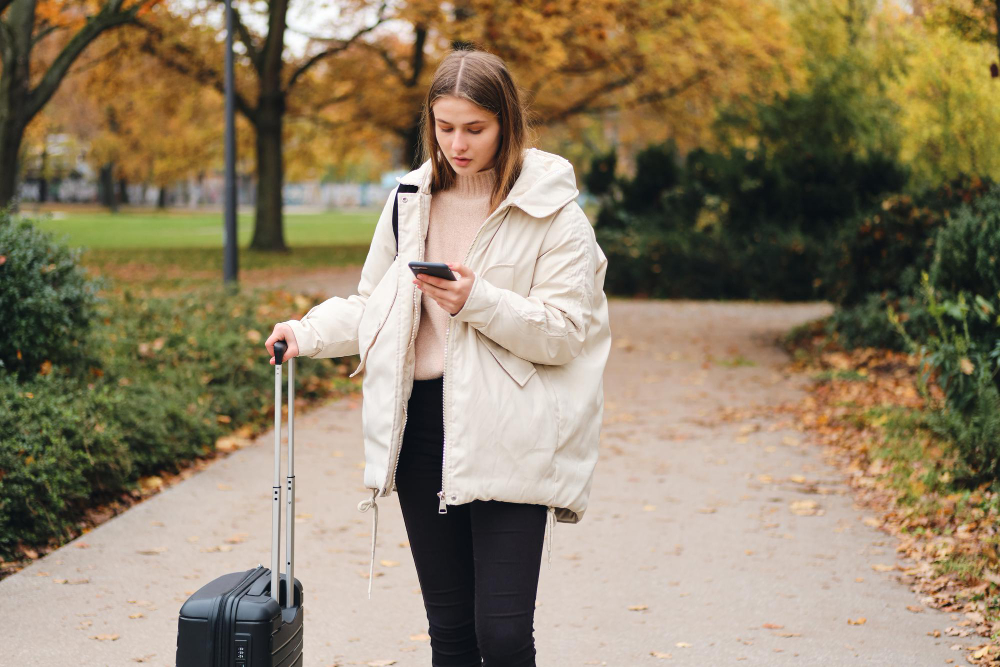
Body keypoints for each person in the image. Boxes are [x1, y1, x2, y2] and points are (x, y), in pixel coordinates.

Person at [265, 47, 611, 667]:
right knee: (450, 635)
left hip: (512, 430)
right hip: (422, 431)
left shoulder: (555, 214)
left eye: (475, 128)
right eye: (445, 127)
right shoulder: (408, 201)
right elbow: (375, 305)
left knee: (502, 636)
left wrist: (476, 299)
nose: (458, 143)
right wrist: (305, 332)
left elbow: (564, 333)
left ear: (506, 123)